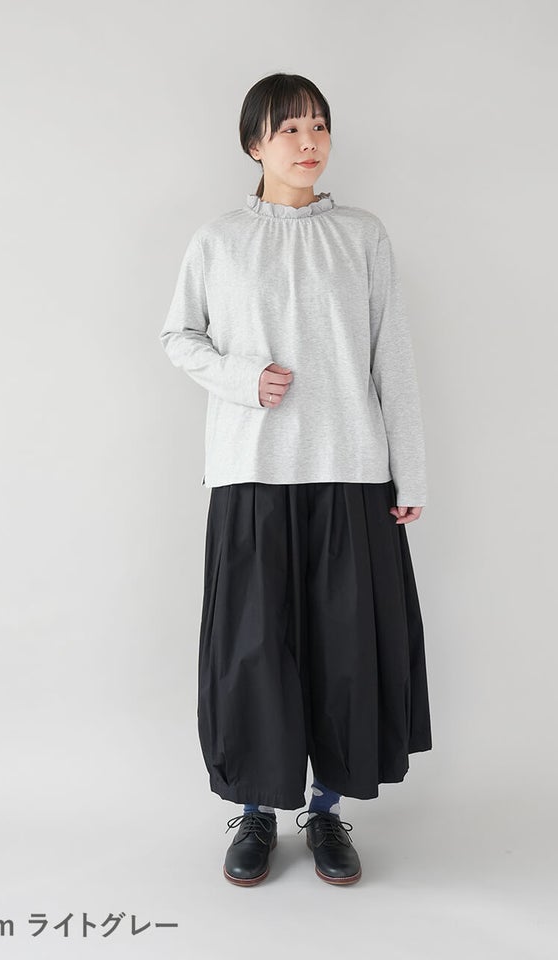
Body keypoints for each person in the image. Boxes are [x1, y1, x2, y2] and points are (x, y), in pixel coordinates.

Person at [159, 72, 432, 886]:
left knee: (346, 653)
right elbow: (179, 336)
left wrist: (408, 472)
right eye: (289, 129)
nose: (308, 142)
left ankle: (327, 810)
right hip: (250, 471)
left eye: (319, 126)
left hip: (351, 471)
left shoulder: (362, 235)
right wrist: (243, 379)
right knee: (254, 651)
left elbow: (393, 359)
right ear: (255, 143)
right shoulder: (219, 240)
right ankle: (255, 812)